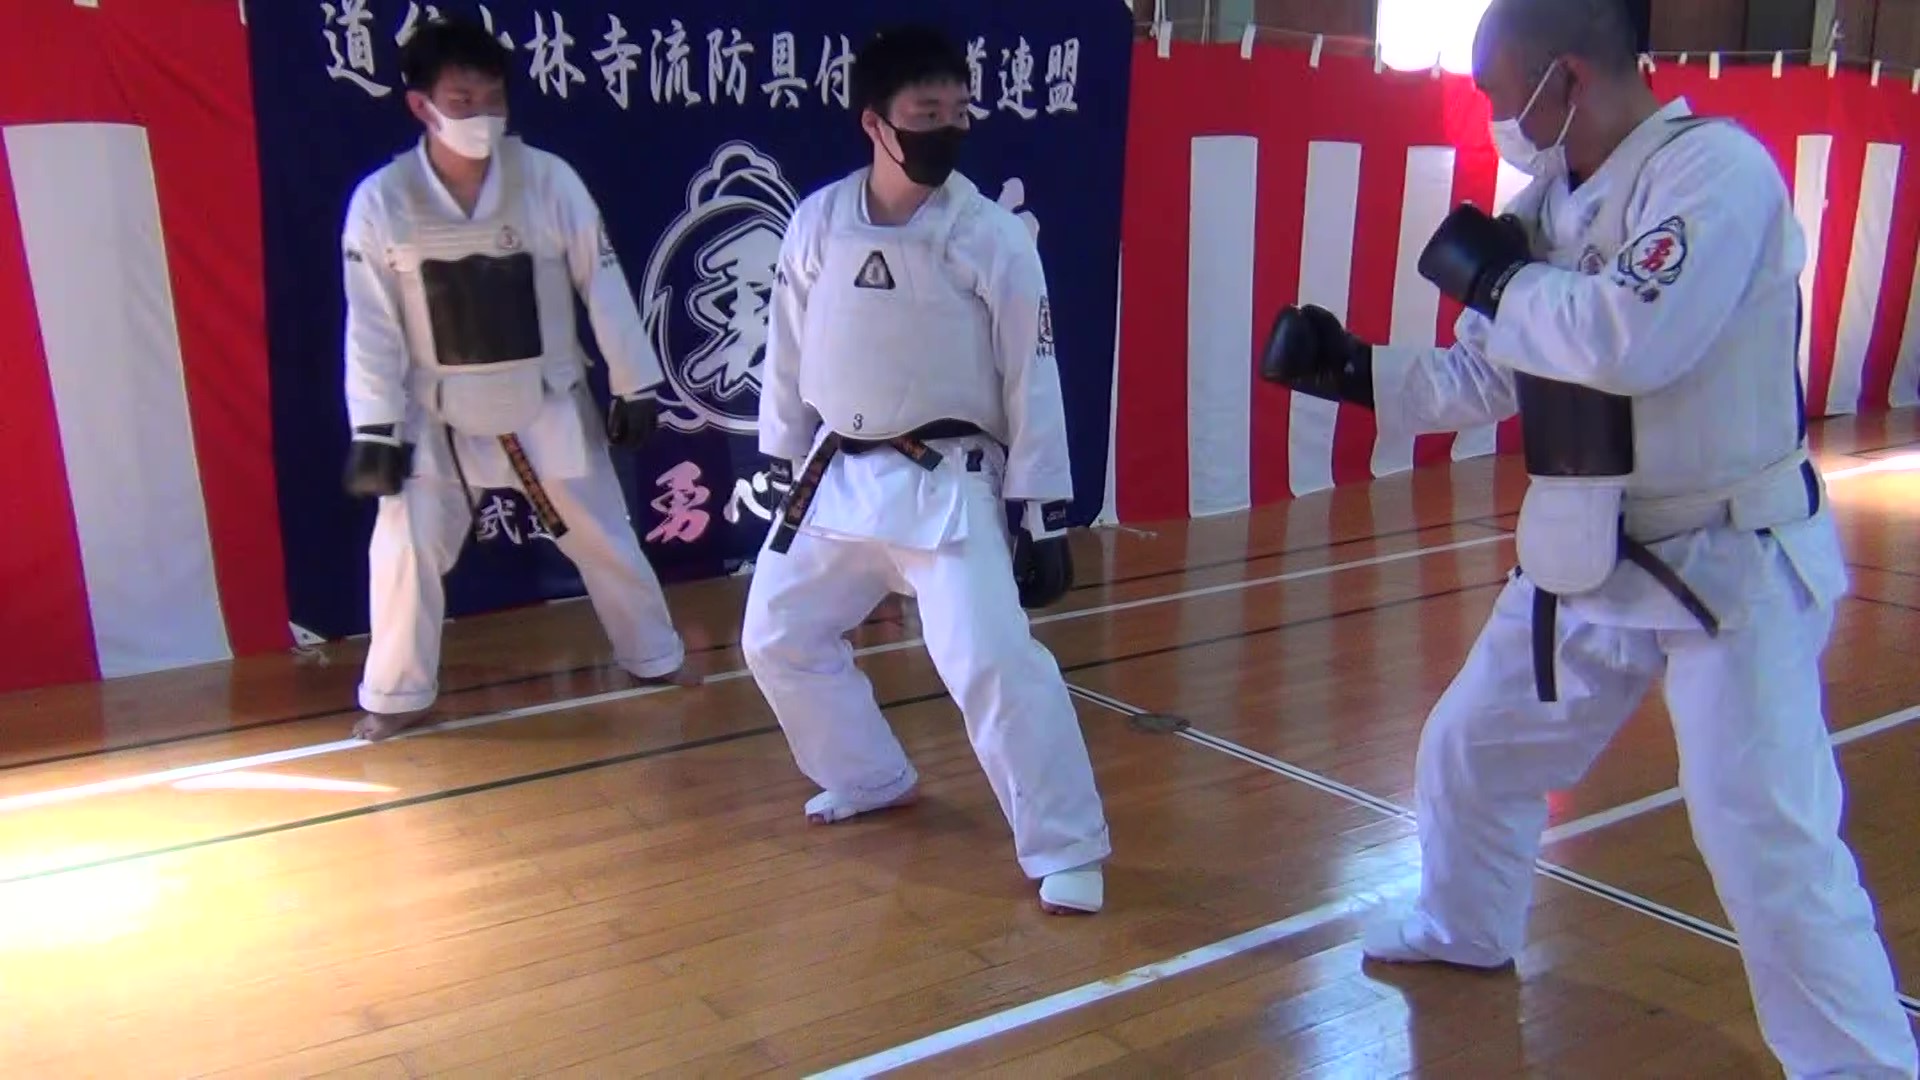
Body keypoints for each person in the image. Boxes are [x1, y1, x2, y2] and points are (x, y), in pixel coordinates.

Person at [1259, 0, 1918, 1074]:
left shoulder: (1716, 176)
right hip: (1593, 544)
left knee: (1764, 839)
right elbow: (1491, 370)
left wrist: (1501, 279)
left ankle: (1863, 1065)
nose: (1493, 117)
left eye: (1495, 93)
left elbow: (1627, 336)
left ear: (1563, 78)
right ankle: (1464, 925)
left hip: (1730, 563)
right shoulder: (1545, 206)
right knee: (1471, 750)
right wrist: (1353, 369)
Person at [739, 24, 1110, 914]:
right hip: (837, 475)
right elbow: (786, 348)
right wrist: (782, 453)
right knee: (777, 636)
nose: (947, 128)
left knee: (992, 661)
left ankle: (1066, 843)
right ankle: (867, 774)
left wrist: (1042, 514)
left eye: (957, 112)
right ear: (876, 122)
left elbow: (1032, 373)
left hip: (948, 482)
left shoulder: (989, 236)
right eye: (926, 112)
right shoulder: (819, 221)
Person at [338, 16, 696, 742]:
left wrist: (635, 384)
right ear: (421, 105)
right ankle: (396, 694)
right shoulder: (383, 199)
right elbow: (371, 324)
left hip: (545, 399)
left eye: (493, 98)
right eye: (462, 100)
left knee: (603, 535)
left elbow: (602, 281)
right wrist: (374, 428)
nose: (482, 114)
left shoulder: (547, 180)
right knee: (404, 547)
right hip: (437, 411)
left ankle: (653, 656)